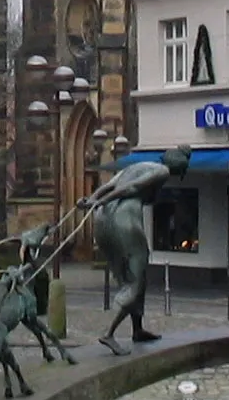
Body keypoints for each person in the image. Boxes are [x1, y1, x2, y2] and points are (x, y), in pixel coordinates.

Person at [80, 146, 191, 355]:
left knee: (129, 276)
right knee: (135, 280)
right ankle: (108, 333)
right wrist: (101, 200)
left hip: (103, 219)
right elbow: (132, 188)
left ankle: (137, 329)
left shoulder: (137, 164)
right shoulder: (162, 171)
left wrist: (92, 199)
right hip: (125, 218)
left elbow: (109, 185)